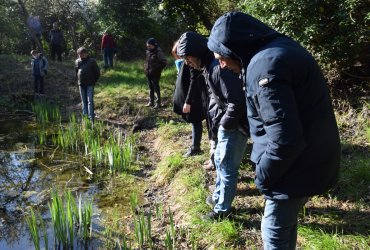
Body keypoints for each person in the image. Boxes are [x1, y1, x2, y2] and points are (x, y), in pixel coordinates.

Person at [207, 12, 341, 249]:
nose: (222, 64)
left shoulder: (266, 66)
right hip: (312, 157)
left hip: (295, 166)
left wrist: (263, 176)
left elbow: (285, 139)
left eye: (222, 57)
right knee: (284, 224)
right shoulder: (277, 51)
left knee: (273, 230)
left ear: (235, 47)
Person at [177, 31, 249, 220]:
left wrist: (225, 126)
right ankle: (218, 197)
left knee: (226, 169)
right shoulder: (209, 66)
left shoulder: (218, 68)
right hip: (224, 125)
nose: (187, 63)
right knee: (219, 162)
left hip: (233, 127)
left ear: (197, 52)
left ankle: (222, 211)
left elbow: (237, 102)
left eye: (187, 58)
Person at [172, 41, 209, 157]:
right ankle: (196, 145)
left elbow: (194, 81)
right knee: (194, 121)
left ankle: (195, 147)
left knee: (195, 121)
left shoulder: (192, 62)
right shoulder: (186, 60)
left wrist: (188, 101)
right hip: (189, 96)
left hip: (194, 98)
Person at [75, 47, 100, 122]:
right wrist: (78, 80)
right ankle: (85, 117)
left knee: (90, 101)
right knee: (83, 101)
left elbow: (97, 73)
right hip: (81, 84)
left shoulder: (92, 61)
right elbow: (76, 71)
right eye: (79, 54)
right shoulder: (77, 61)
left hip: (90, 84)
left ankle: (91, 118)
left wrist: (93, 81)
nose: (80, 56)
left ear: (85, 53)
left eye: (82, 54)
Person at [144, 38, 167, 109]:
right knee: (150, 87)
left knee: (156, 87)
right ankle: (151, 102)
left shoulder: (159, 52)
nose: (148, 47)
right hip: (148, 73)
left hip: (155, 73)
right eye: (147, 46)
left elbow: (164, 62)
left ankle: (158, 102)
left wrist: (156, 68)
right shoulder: (148, 52)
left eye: (150, 46)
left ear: (154, 45)